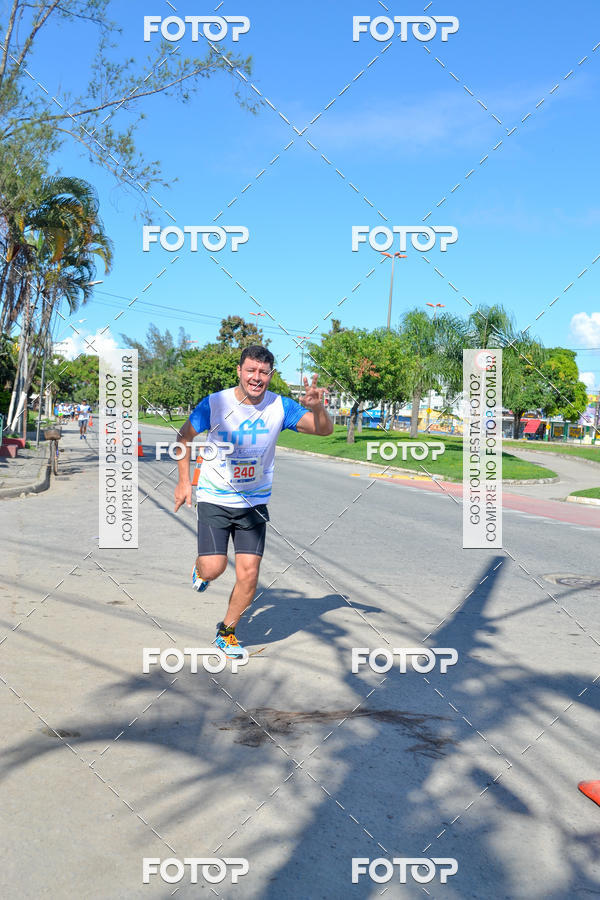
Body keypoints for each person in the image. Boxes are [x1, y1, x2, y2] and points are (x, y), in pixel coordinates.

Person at [174, 345, 333, 658]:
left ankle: (227, 632)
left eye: (263, 372)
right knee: (214, 567)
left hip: (254, 503)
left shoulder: (280, 407)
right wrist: (183, 481)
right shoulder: (216, 403)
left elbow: (323, 430)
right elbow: (184, 437)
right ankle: (202, 570)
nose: (256, 378)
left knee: (249, 575)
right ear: (239, 371)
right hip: (214, 497)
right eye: (251, 370)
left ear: (270, 375)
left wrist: (317, 408)